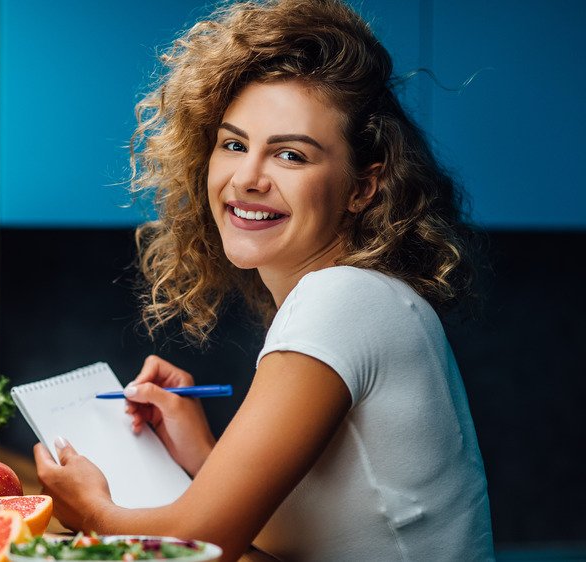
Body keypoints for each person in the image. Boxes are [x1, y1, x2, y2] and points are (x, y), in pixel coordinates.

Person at [32, 0, 494, 560]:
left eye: (291, 156)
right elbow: (300, 535)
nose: (247, 178)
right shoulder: (367, 296)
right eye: (233, 144)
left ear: (363, 187)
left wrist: (94, 514)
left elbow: (198, 547)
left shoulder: (343, 299)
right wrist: (202, 453)